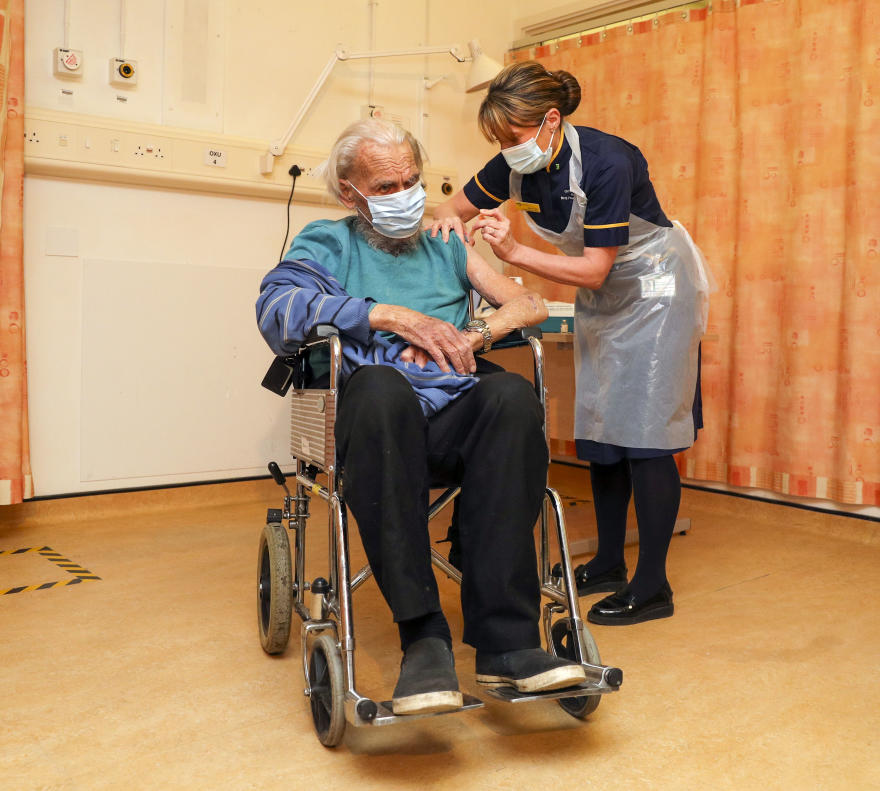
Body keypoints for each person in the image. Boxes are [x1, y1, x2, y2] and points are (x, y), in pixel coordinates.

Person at [256, 119, 586, 717]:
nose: (405, 194)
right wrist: (391, 317)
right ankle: (424, 636)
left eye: (412, 180)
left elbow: (528, 303)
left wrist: (470, 333)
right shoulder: (328, 241)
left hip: (454, 412)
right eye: (386, 187)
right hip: (378, 425)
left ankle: (509, 643)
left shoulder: (445, 241)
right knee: (380, 387)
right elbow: (278, 309)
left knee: (511, 398)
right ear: (349, 194)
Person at [431, 62, 710, 627]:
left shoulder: (608, 161)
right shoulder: (515, 164)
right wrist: (453, 245)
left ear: (550, 121)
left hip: (654, 283)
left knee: (648, 434)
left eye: (512, 137)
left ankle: (652, 583)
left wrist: (509, 255)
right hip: (603, 293)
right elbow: (446, 211)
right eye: (498, 141)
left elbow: (594, 270)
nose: (506, 150)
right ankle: (608, 562)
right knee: (602, 429)